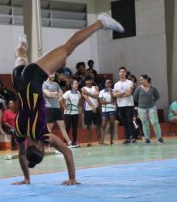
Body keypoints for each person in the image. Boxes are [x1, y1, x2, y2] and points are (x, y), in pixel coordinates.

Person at [11, 12, 124, 185]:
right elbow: (20, 154)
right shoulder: (19, 132)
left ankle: (101, 22)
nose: (46, 146)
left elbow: (67, 151)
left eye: (44, 148)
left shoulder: (42, 134)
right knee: (20, 57)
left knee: (68, 47)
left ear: (40, 147)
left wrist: (72, 178)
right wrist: (26, 178)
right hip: (18, 83)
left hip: (33, 77)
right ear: (28, 147)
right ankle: (22, 44)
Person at [42, 73, 76, 148]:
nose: (53, 76)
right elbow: (47, 94)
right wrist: (54, 94)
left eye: (54, 74)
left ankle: (69, 142)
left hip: (57, 107)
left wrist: (53, 94)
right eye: (51, 74)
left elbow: (61, 93)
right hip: (48, 107)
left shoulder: (56, 84)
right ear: (47, 75)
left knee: (62, 126)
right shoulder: (44, 84)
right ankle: (48, 144)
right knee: (49, 127)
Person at [133, 74, 164, 144]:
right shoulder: (138, 89)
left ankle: (159, 138)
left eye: (142, 80)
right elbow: (135, 97)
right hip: (141, 109)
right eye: (140, 80)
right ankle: (147, 139)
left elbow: (157, 96)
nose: (141, 81)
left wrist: (150, 102)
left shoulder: (153, 88)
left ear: (146, 79)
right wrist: (141, 103)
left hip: (152, 107)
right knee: (145, 123)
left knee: (155, 122)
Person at [113, 67, 137, 144]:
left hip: (129, 104)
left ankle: (133, 137)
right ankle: (127, 138)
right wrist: (123, 92)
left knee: (130, 121)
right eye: (121, 72)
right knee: (124, 122)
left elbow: (129, 93)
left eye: (123, 72)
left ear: (126, 73)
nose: (122, 73)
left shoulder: (129, 82)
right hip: (120, 105)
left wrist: (119, 94)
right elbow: (114, 94)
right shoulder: (116, 84)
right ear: (119, 73)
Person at [59, 79, 82, 147]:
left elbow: (80, 100)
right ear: (71, 85)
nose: (77, 85)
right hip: (68, 113)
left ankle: (74, 142)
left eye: (77, 84)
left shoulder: (78, 93)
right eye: (75, 84)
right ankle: (66, 143)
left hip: (75, 113)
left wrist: (77, 105)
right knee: (68, 127)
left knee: (75, 128)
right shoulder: (68, 93)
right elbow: (60, 100)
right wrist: (65, 107)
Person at [81, 75, 101, 147]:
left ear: (92, 81)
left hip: (96, 108)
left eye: (90, 80)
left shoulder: (96, 87)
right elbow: (86, 98)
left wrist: (88, 93)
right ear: (85, 81)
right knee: (88, 126)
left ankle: (99, 141)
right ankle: (89, 142)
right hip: (88, 109)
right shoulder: (83, 88)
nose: (89, 82)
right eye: (87, 81)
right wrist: (92, 107)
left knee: (98, 125)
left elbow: (97, 96)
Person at [99, 79, 117, 145]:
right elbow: (101, 102)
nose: (108, 84)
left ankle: (111, 141)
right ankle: (102, 141)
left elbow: (114, 100)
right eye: (106, 83)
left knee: (112, 125)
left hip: (112, 109)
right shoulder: (101, 92)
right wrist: (109, 102)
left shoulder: (114, 91)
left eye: (109, 83)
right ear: (105, 84)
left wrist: (111, 93)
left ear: (111, 84)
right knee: (103, 125)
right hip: (105, 110)